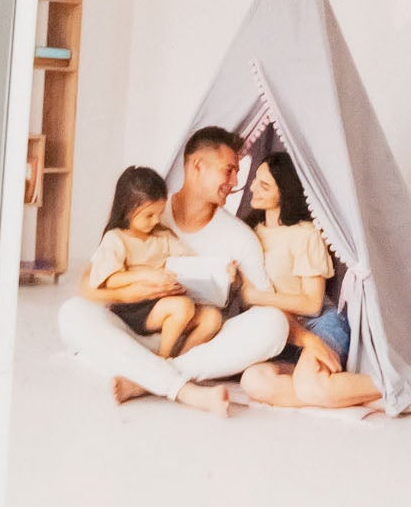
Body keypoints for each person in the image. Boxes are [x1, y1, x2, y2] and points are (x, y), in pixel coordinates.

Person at [53, 124, 291, 410]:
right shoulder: (146, 209)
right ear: (197, 166)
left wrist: (307, 338)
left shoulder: (240, 238)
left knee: (274, 324)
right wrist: (135, 292)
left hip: (192, 343)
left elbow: (263, 303)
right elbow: (88, 285)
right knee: (72, 313)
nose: (236, 180)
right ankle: (181, 387)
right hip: (133, 330)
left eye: (237, 171)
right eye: (228, 170)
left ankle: (149, 377)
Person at [80, 165, 215, 366]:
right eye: (149, 215)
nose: (156, 220)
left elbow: (191, 262)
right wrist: (146, 274)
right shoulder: (116, 239)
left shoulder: (163, 236)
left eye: (159, 213)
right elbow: (109, 280)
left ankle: (179, 363)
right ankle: (163, 358)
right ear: (127, 209)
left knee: (212, 317)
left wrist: (220, 271)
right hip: (132, 308)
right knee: (182, 307)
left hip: (162, 304)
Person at [243, 153, 347, 376]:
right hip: (279, 328)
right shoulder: (249, 232)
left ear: (284, 192)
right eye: (255, 180)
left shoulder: (305, 234)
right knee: (257, 377)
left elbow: (312, 304)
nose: (253, 188)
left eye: (265, 186)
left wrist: (255, 297)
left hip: (317, 324)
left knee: (309, 376)